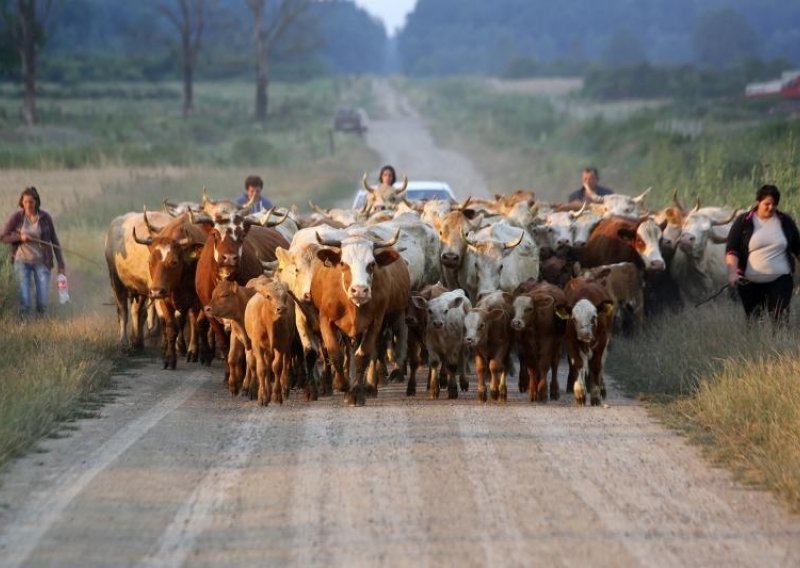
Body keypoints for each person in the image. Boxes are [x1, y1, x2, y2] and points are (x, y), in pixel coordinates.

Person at [725, 184, 800, 322]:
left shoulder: (786, 222)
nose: (771, 207)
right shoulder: (743, 222)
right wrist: (732, 273)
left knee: (780, 318)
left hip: (781, 279)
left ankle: (780, 343)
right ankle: (756, 342)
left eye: (774, 204)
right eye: (767, 204)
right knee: (754, 319)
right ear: (758, 202)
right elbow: (732, 250)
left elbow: (798, 248)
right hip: (749, 282)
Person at [1, 186, 66, 318]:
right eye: (25, 202)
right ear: (22, 203)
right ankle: (23, 324)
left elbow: (54, 241)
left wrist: (61, 265)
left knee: (42, 302)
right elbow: (4, 237)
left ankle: (41, 323)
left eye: (31, 201)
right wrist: (20, 237)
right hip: (21, 261)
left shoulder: (45, 218)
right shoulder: (17, 218)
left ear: (36, 202)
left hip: (42, 262)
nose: (28, 205)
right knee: (24, 299)